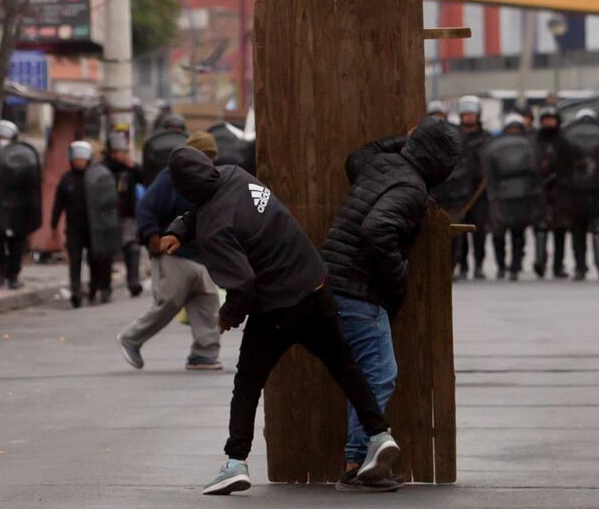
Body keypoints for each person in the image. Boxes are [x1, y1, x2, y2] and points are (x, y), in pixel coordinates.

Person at [160, 147, 400, 496]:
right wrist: (179, 230)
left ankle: (235, 462)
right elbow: (207, 203)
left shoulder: (215, 230)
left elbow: (242, 284)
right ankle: (378, 433)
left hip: (275, 309)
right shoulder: (235, 175)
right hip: (315, 287)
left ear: (183, 187)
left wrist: (227, 317)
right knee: (344, 366)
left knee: (247, 384)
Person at [322, 117, 459, 491]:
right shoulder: (412, 188)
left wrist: (406, 139)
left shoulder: (383, 164)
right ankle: (356, 466)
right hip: (359, 289)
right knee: (378, 375)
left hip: (334, 282)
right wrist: (399, 279)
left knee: (366, 376)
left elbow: (357, 158)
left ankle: (356, 461)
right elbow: (378, 228)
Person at [116, 132, 222, 371]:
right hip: (173, 253)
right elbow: (146, 207)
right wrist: (152, 237)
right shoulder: (172, 177)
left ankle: (204, 354)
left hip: (200, 255)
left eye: (212, 156)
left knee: (207, 302)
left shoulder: (210, 179)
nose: (209, 161)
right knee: (170, 301)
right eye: (205, 155)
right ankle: (131, 338)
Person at [51, 141, 121, 307]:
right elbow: (58, 203)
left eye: (82, 159)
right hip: (74, 228)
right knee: (75, 259)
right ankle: (75, 290)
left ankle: (94, 288)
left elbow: (109, 202)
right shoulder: (67, 179)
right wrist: (54, 225)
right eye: (76, 159)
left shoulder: (96, 178)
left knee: (94, 259)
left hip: (94, 227)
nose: (79, 162)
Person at [431, 95, 491, 280]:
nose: (469, 117)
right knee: (459, 231)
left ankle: (478, 264)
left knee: (479, 228)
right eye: (466, 114)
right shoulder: (453, 135)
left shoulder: (486, 138)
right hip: (457, 189)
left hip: (478, 189)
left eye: (472, 114)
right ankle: (461, 264)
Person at [555, 108, 599, 280]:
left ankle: (580, 267)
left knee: (578, 231)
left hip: (574, 192)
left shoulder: (566, 133)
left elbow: (559, 165)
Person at [481, 114, 542, 281]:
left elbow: (488, 170)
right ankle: (507, 266)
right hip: (516, 195)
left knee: (509, 233)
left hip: (506, 195)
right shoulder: (530, 144)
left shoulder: (494, 144)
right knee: (508, 234)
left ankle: (509, 266)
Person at [0, 120, 41, 289]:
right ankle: (2, 272)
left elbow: (31, 187)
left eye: (5, 138)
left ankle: (13, 276)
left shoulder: (24, 160)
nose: (2, 141)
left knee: (16, 245)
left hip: (18, 211)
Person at [104, 132, 144, 297]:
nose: (124, 155)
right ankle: (105, 286)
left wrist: (134, 166)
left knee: (132, 247)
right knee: (107, 251)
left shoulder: (130, 169)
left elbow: (145, 179)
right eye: (121, 152)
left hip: (127, 215)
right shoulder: (103, 169)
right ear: (112, 152)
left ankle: (133, 281)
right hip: (107, 216)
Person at [532, 106, 567, 278]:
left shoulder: (564, 139)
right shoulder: (535, 139)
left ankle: (558, 266)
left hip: (560, 189)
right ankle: (540, 261)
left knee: (560, 229)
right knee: (540, 227)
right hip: (540, 189)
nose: (548, 122)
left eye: (551, 119)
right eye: (545, 119)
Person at [142, 115, 188, 186]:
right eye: (171, 128)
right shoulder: (153, 143)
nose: (174, 131)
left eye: (177, 128)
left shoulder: (189, 143)